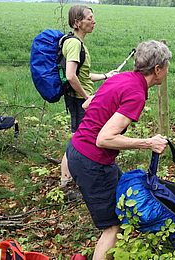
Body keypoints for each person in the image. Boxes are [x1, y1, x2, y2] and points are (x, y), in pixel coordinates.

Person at [65, 40, 171, 260]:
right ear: (158, 69)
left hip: (75, 150)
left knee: (123, 203)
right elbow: (104, 139)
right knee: (113, 227)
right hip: (91, 161)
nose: (167, 70)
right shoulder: (136, 94)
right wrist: (148, 142)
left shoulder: (122, 78)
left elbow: (88, 105)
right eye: (167, 66)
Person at [60, 5, 118, 188]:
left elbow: (82, 75)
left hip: (79, 98)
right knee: (78, 140)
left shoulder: (75, 42)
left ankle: (74, 178)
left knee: (81, 138)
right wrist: (86, 97)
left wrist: (106, 76)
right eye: (89, 18)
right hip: (79, 100)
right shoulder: (75, 44)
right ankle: (66, 181)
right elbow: (70, 75)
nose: (94, 21)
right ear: (77, 22)